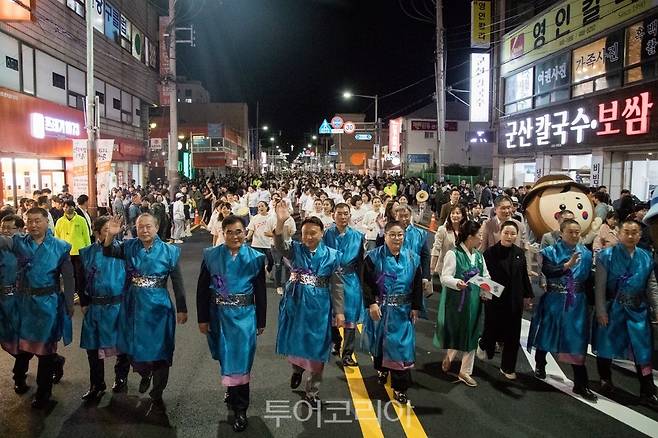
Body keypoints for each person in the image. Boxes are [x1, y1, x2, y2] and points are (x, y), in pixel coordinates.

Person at [103, 213, 188, 412]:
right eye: (140, 227)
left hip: (160, 308)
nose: (144, 230)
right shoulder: (130, 246)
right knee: (133, 348)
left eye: (148, 226)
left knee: (161, 351)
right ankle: (144, 373)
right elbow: (108, 251)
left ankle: (157, 393)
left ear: (157, 228)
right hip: (134, 306)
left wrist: (182, 308)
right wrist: (110, 236)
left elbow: (177, 281)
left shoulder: (169, 251)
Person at [196, 215, 267, 432]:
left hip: (244, 317)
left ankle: (241, 409)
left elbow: (261, 291)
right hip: (218, 316)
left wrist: (261, 320)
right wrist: (203, 318)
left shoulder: (255, 258)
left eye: (239, 232)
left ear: (245, 233)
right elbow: (202, 288)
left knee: (242, 359)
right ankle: (231, 387)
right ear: (223, 233)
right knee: (224, 354)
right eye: (230, 232)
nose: (235, 236)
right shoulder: (211, 255)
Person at [0, 207, 74, 408]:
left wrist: (69, 303)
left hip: (49, 305)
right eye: (29, 221)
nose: (33, 225)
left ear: (46, 222)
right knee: (23, 347)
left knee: (45, 352)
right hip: (24, 304)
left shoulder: (60, 247)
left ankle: (43, 395)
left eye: (37, 221)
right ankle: (21, 377)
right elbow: (3, 241)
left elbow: (68, 276)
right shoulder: (18, 243)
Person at [273, 204, 344, 407]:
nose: (308, 237)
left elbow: (337, 286)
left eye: (313, 233)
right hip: (296, 303)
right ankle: (297, 369)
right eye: (305, 234)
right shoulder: (295, 250)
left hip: (320, 308)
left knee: (319, 349)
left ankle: (312, 391)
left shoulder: (333, 255)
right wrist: (280, 221)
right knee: (297, 342)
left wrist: (339, 312)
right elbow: (279, 246)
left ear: (322, 233)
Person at [527, 219, 597, 402]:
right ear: (561, 233)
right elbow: (549, 272)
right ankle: (540, 363)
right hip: (554, 299)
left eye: (577, 232)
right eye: (571, 232)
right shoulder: (550, 251)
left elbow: (589, 280)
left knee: (576, 340)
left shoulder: (587, 254)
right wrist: (568, 265)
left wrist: (593, 304)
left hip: (577, 303)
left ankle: (581, 383)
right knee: (548, 334)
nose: (574, 235)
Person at [592, 220, 658, 406]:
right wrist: (601, 311)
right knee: (606, 344)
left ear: (640, 235)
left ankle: (647, 389)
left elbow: (652, 286)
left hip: (638, 310)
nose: (630, 236)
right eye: (626, 232)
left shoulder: (646, 256)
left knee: (643, 350)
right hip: (613, 307)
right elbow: (600, 287)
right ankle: (605, 379)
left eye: (634, 232)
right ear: (619, 233)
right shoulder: (607, 255)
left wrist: (657, 308)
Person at [362, 221, 422, 404]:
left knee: (401, 349)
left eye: (400, 235)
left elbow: (417, 285)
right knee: (380, 343)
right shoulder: (373, 257)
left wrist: (415, 307)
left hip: (402, 312)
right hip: (381, 310)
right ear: (385, 235)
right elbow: (366, 283)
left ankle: (400, 387)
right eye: (393, 234)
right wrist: (371, 303)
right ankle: (381, 368)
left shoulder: (413, 258)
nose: (397, 238)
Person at [78, 216, 130, 401]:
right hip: (95, 306)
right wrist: (84, 302)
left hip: (118, 305)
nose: (111, 233)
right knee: (92, 348)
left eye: (113, 229)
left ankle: (121, 375)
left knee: (122, 345)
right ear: (96, 232)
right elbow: (80, 280)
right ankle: (97, 384)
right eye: (106, 230)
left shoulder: (123, 250)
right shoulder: (85, 253)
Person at [436, 221, 491, 387]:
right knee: (457, 330)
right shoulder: (454, 254)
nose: (481, 239)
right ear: (469, 237)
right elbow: (445, 277)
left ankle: (465, 371)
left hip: (474, 301)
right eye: (478, 236)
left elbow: (486, 276)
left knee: (472, 333)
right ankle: (450, 356)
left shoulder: (479, 256)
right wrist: (457, 282)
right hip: (457, 300)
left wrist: (486, 292)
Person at [480, 221, 534, 379]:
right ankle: (484, 344)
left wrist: (528, 294)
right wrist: (486, 293)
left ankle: (508, 367)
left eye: (513, 233)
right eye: (506, 233)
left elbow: (523, 275)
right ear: (500, 233)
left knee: (512, 335)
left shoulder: (519, 253)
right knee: (491, 330)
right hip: (495, 299)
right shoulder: (490, 253)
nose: (509, 236)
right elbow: (483, 277)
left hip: (514, 299)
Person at [323, 203, 365, 366]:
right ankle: (336, 340)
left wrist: (362, 285)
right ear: (334, 215)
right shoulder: (326, 234)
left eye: (346, 213)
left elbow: (360, 263)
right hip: (331, 279)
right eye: (339, 213)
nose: (343, 217)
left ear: (350, 215)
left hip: (350, 280)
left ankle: (348, 353)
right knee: (331, 313)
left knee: (350, 317)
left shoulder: (358, 236)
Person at [55, 199, 92, 302]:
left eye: (70, 206)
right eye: (66, 207)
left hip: (79, 252)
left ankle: (81, 295)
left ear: (74, 207)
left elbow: (86, 236)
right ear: (63, 208)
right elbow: (56, 237)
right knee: (68, 276)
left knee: (80, 275)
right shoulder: (59, 221)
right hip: (66, 253)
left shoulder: (81, 220)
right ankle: (71, 295)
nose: (68, 208)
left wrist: (88, 251)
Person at [395, 205, 432, 297]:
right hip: (394, 274)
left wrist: (426, 276)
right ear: (396, 216)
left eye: (406, 216)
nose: (404, 219)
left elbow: (425, 256)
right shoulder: (389, 232)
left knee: (414, 304)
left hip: (415, 274)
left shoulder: (420, 233)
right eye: (401, 216)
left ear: (410, 216)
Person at [0, 215, 23, 356]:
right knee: (5, 337)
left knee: (21, 336)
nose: (5, 230)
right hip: (2, 298)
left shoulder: (23, 244)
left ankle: (53, 360)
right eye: (3, 227)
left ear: (20, 229)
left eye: (10, 228)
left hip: (19, 298)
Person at [431, 204, 466, 275]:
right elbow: (436, 249)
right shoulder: (442, 230)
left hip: (458, 270)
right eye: (452, 213)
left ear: (462, 216)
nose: (454, 215)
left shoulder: (465, 231)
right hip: (443, 268)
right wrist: (432, 267)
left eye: (458, 213)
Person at [246, 201, 274, 273]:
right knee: (259, 262)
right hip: (257, 244)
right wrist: (248, 236)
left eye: (262, 206)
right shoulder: (255, 218)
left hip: (268, 243)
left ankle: (267, 270)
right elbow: (251, 229)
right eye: (259, 206)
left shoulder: (271, 217)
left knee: (271, 261)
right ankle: (260, 277)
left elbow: (274, 230)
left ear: (266, 207)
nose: (260, 208)